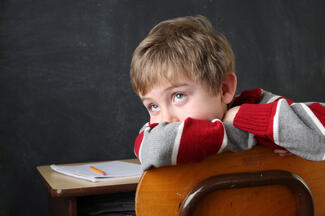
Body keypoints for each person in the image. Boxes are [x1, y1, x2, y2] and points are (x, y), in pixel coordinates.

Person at [129, 15, 325, 170]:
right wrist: (246, 134)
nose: (165, 119)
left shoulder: (259, 105)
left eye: (178, 96)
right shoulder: (154, 133)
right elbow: (154, 148)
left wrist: (242, 116)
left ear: (224, 89)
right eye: (153, 106)